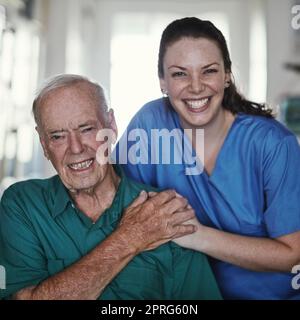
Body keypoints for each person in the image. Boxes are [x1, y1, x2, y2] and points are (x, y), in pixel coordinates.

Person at [116, 17, 300, 300]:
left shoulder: (273, 144)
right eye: (180, 74)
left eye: (209, 71)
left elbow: (293, 255)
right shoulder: (150, 123)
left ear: (227, 75)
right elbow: (115, 208)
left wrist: (196, 235)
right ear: (163, 82)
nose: (196, 87)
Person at [0, 74, 222, 300]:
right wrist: (130, 238)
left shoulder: (163, 212)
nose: (76, 148)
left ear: (111, 126)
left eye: (86, 129)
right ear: (44, 144)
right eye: (57, 136)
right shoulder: (22, 204)